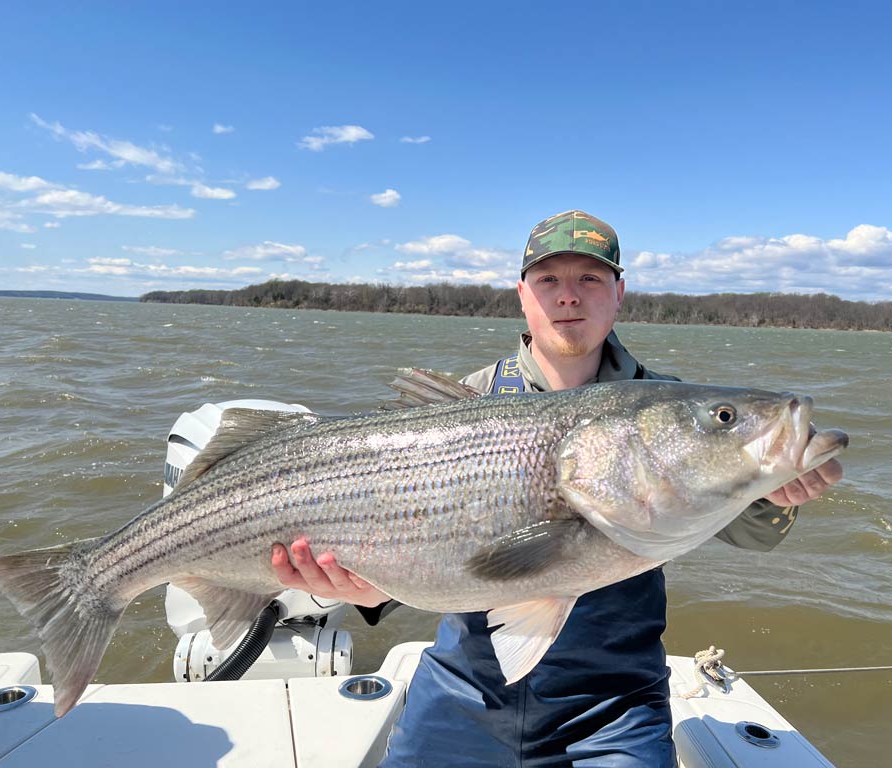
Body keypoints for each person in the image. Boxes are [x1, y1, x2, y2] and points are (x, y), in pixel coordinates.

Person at [271, 210, 843, 767]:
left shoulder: (668, 402)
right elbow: (409, 542)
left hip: (614, 702)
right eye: (549, 280)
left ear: (619, 293)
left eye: (590, 279)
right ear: (523, 294)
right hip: (464, 688)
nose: (569, 296)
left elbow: (750, 533)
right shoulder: (469, 401)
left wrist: (773, 494)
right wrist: (365, 591)